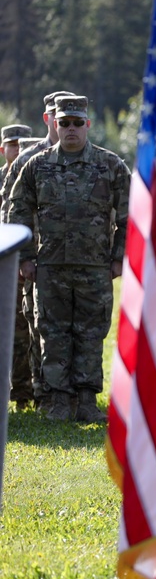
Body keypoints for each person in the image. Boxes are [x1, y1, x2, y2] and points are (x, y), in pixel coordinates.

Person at [9, 96, 130, 423]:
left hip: (95, 268)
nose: (71, 129)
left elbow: (131, 216)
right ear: (54, 124)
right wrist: (25, 257)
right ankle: (58, 402)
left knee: (91, 335)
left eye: (77, 123)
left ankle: (87, 402)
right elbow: (18, 211)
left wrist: (119, 258)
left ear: (87, 124)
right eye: (65, 123)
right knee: (53, 334)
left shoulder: (110, 165)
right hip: (50, 267)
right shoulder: (37, 165)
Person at [1, 90, 74, 413]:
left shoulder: (89, 155)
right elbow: (14, 207)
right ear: (48, 118)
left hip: (74, 256)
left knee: (76, 326)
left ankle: (70, 393)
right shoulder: (31, 158)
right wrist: (23, 253)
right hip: (36, 256)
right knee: (33, 326)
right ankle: (34, 390)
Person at [1, 124, 35, 410]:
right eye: (13, 144)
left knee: (28, 326)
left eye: (22, 144)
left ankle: (28, 391)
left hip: (26, 260)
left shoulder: (36, 172)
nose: (17, 149)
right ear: (4, 148)